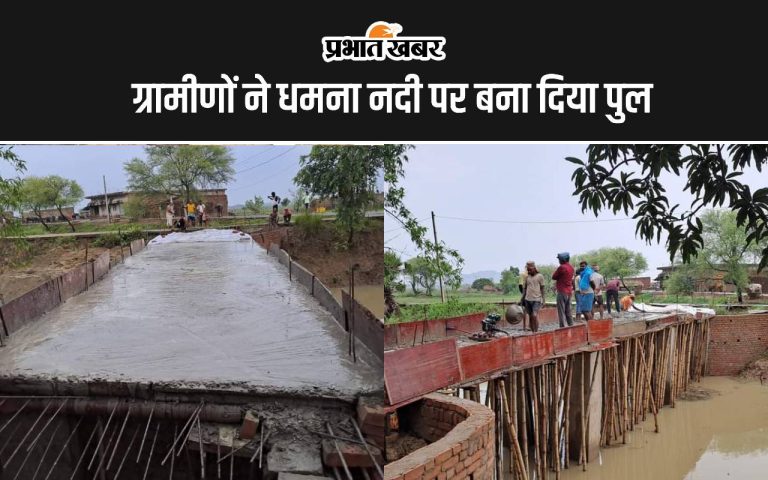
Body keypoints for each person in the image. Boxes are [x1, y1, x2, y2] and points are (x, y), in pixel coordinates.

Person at [522, 261, 546, 332]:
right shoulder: (527, 277)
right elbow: (525, 288)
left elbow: (542, 288)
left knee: (534, 315)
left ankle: (536, 331)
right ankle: (533, 332)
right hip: (527, 299)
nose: (529, 271)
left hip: (536, 299)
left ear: (534, 268)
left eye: (530, 269)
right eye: (528, 270)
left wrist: (543, 299)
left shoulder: (540, 276)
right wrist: (522, 298)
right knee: (530, 316)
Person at [552, 252, 575, 327]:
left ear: (563, 260)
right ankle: (571, 326)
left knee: (561, 311)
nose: (559, 261)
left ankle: (562, 327)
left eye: (559, 259)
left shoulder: (562, 267)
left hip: (562, 291)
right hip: (569, 291)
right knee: (568, 310)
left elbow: (554, 276)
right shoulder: (571, 267)